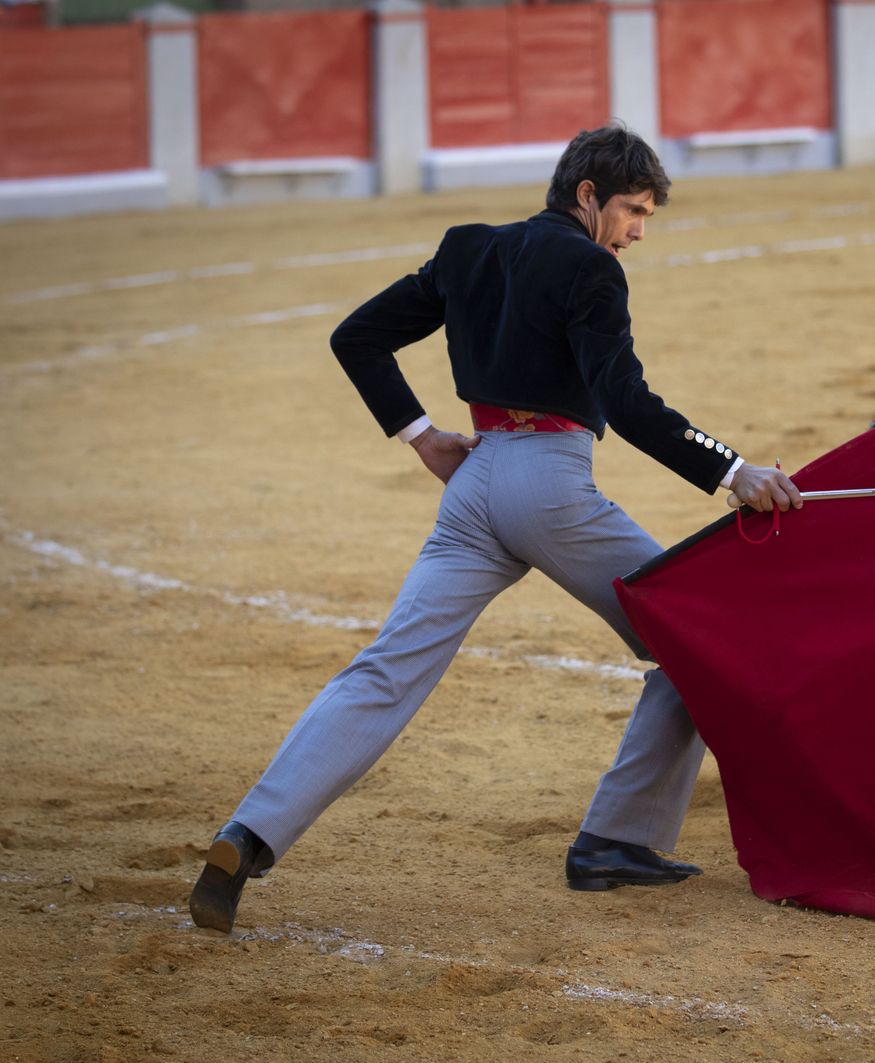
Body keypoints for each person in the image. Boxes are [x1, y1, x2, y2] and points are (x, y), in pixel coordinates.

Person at [189, 124, 802, 934]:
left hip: (473, 489)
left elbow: (356, 337)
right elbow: (627, 401)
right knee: (696, 637)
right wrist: (732, 469)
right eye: (632, 211)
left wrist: (422, 435)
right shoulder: (593, 268)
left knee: (385, 670)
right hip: (550, 489)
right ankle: (617, 839)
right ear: (588, 195)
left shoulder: (468, 249)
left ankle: (248, 834)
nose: (637, 232)